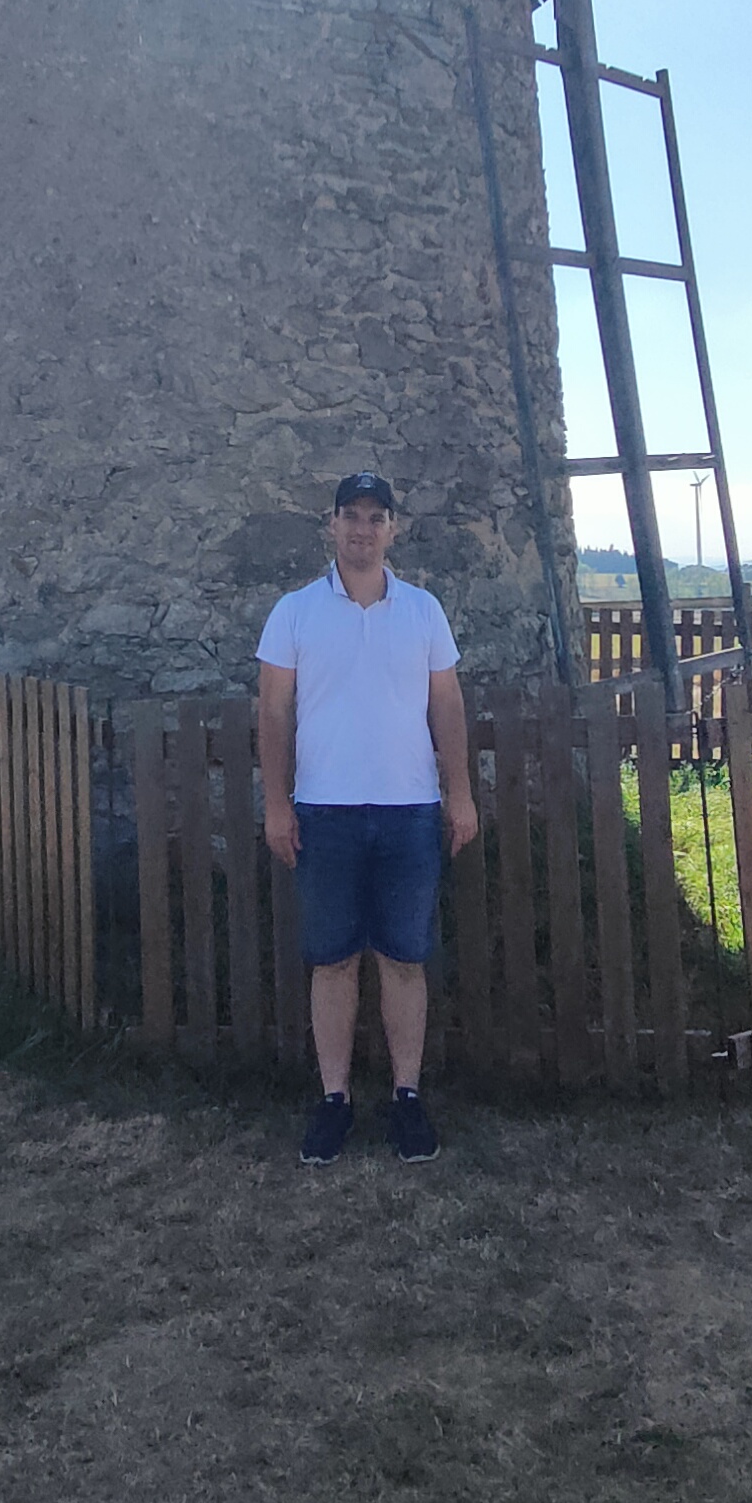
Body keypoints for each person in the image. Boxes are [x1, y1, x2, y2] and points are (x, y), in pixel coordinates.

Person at [257, 472, 479, 1164]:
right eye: (349, 516)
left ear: (393, 529)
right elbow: (272, 712)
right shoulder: (293, 613)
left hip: (410, 809)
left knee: (405, 960)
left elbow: (446, 706)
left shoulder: (423, 611)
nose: (361, 528)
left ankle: (406, 1099)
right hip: (323, 811)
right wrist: (275, 803)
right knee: (333, 962)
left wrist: (460, 793)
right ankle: (334, 1100)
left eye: (375, 516)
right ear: (331, 525)